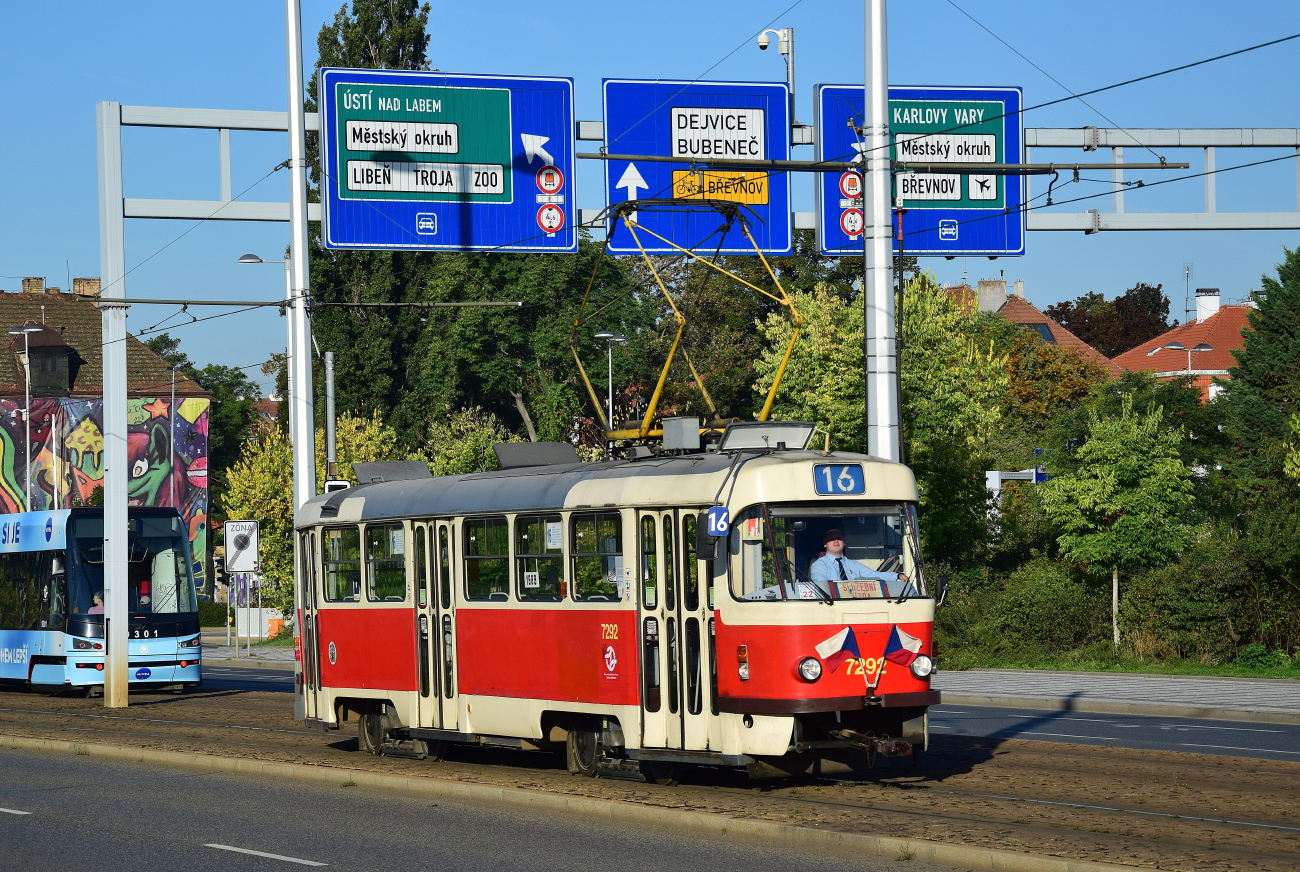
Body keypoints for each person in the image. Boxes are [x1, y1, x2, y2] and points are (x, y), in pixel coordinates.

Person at [809, 529, 908, 594]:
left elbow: (874, 575)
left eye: (839, 538)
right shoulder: (819, 565)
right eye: (831, 538)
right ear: (825, 544)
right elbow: (822, 587)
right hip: (832, 607)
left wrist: (897, 576)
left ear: (844, 542)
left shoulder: (854, 564)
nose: (836, 541)